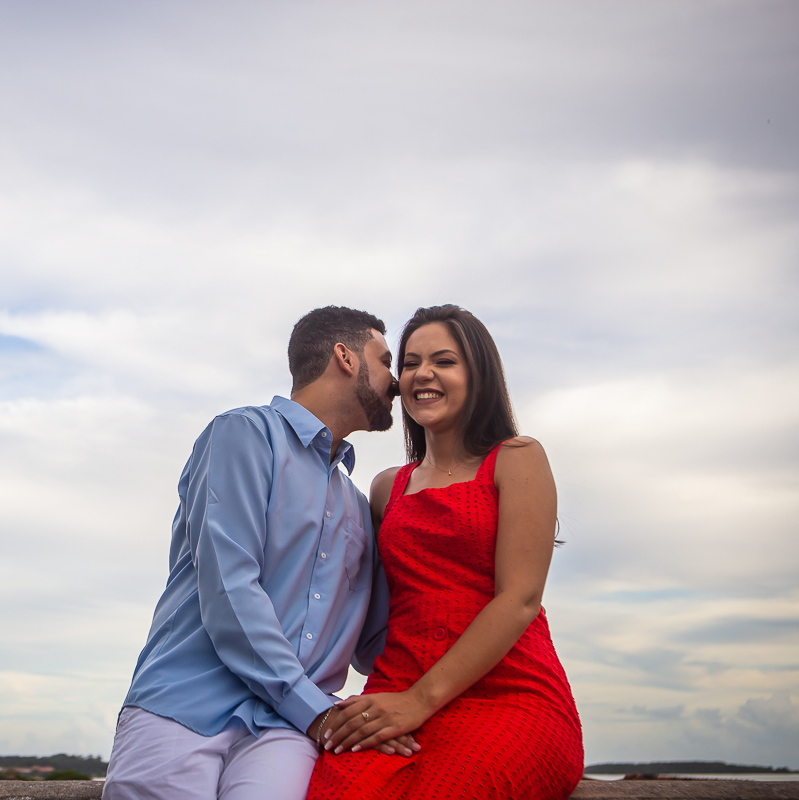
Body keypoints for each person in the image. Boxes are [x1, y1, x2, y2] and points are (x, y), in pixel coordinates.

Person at [102, 306, 417, 800]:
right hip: (185, 706)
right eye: (384, 361)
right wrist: (316, 711)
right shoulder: (243, 434)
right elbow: (231, 589)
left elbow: (377, 641)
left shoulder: (358, 505)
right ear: (346, 358)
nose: (396, 382)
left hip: (285, 732)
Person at [306, 305, 584, 800]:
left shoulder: (517, 459)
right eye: (410, 363)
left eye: (444, 361)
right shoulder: (386, 488)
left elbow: (519, 598)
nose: (422, 374)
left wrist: (420, 701)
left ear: (479, 374)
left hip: (509, 696)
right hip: (396, 687)